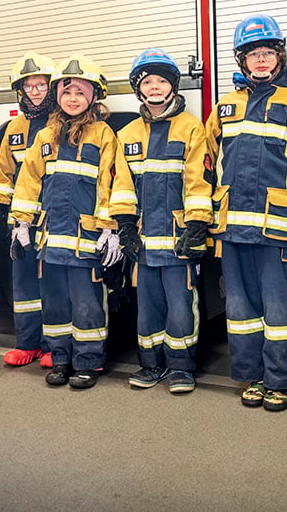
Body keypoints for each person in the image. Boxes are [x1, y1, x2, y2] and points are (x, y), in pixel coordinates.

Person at [205, 13, 287, 411]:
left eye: (268, 53)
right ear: (241, 61)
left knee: (279, 308)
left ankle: (279, 379)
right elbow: (206, 160)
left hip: (277, 231)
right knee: (240, 310)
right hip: (232, 229)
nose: (261, 61)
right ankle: (250, 376)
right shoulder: (224, 108)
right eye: (253, 54)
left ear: (280, 57)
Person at [10, 55, 129, 390]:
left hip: (86, 240)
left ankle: (89, 362)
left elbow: (113, 180)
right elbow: (29, 180)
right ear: (57, 96)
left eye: (80, 92)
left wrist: (111, 228)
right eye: (66, 92)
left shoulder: (104, 134)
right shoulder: (46, 135)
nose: (72, 98)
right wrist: (21, 223)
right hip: (50, 241)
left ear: (94, 97)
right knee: (56, 304)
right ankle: (61, 358)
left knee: (88, 304)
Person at [110, 48, 212, 394]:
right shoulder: (127, 135)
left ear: (174, 86)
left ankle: (182, 367)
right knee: (147, 307)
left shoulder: (191, 129)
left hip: (178, 239)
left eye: (162, 81)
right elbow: (121, 185)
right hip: (144, 242)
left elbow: (199, 181)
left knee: (182, 306)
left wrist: (196, 227)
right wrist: (125, 228)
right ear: (139, 89)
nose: (155, 88)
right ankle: (150, 364)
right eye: (148, 82)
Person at [0, 52, 57, 369]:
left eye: (41, 84)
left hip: (56, 218)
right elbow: (3, 175)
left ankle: (53, 346)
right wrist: (6, 217)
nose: (35, 91)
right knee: (25, 284)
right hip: (22, 222)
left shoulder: (64, 122)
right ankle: (28, 344)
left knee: (54, 284)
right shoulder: (12, 129)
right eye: (29, 86)